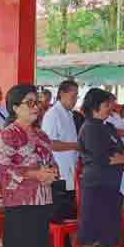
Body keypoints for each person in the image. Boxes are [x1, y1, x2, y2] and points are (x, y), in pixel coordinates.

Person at [0, 84, 56, 247]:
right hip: (19, 199)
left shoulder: (41, 135)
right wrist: (34, 174)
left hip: (42, 197)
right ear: (15, 107)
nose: (35, 107)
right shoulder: (8, 134)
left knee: (35, 246)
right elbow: (4, 170)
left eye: (37, 102)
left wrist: (52, 172)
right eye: (29, 103)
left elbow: (50, 161)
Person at [77, 88, 124, 247]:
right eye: (107, 104)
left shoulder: (107, 127)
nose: (110, 108)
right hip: (96, 183)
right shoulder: (90, 128)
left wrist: (123, 159)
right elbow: (102, 157)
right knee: (92, 223)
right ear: (95, 106)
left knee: (104, 224)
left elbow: (120, 150)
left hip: (111, 182)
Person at [41, 80, 80, 224]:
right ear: (62, 94)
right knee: (60, 217)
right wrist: (76, 146)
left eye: (76, 97)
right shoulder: (53, 114)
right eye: (72, 96)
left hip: (69, 171)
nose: (75, 100)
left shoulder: (69, 114)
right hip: (59, 173)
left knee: (69, 216)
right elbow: (49, 143)